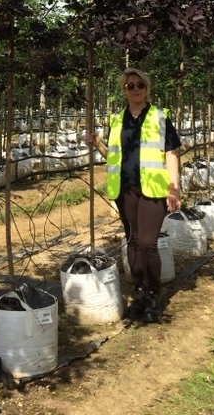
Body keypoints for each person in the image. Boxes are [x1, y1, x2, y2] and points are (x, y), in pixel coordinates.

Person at [87, 67, 181, 322]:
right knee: (133, 241)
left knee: (149, 243)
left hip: (153, 188)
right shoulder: (116, 120)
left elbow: (171, 153)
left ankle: (153, 294)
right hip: (125, 189)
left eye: (140, 84)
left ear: (147, 88)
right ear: (124, 90)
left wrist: (174, 187)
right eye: (131, 86)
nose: (136, 89)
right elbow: (113, 156)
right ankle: (139, 292)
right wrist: (98, 145)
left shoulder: (160, 116)